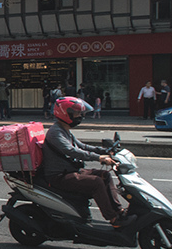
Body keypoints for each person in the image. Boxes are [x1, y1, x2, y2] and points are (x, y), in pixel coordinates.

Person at [41, 97, 134, 228]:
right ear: (65, 113)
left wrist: (105, 151)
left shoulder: (64, 130)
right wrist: (99, 158)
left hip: (71, 171)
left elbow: (82, 146)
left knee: (105, 176)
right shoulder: (55, 132)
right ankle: (113, 218)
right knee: (96, 182)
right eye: (77, 113)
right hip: (59, 176)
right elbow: (72, 151)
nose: (80, 116)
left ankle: (118, 211)